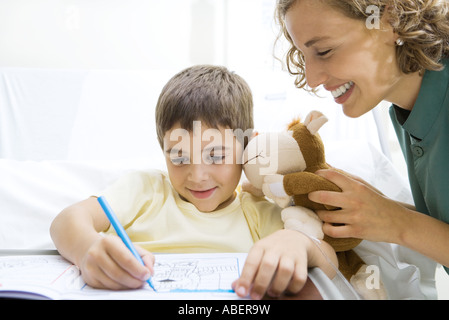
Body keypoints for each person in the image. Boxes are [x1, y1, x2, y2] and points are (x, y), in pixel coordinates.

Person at [50, 64, 338, 299]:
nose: (197, 176)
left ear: (247, 148)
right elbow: (65, 222)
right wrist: (86, 248)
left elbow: (329, 263)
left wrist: (301, 243)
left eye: (215, 156)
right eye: (178, 158)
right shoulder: (145, 190)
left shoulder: (257, 212)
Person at [274, 0, 449, 275]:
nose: (312, 78)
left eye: (324, 50)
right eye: (303, 54)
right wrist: (376, 209)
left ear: (388, 19)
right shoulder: (408, 110)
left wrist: (398, 222)